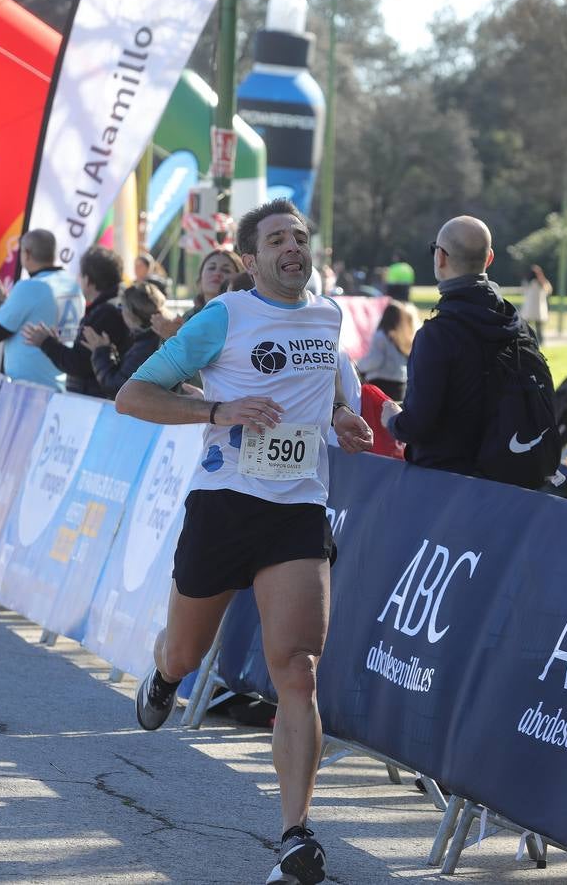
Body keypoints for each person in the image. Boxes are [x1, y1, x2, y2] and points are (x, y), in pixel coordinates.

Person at [116, 198, 374, 885]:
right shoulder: (223, 318)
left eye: (300, 236)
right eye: (278, 239)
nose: (293, 246)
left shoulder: (328, 315)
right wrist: (217, 410)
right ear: (252, 257)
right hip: (225, 505)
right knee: (185, 649)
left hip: (296, 512)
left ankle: (295, 835)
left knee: (297, 670)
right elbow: (133, 397)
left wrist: (344, 418)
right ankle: (167, 676)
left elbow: (333, 392)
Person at [380, 216, 527, 474]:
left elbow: (417, 424)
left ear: (441, 258)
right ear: (489, 258)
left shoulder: (436, 335)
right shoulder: (517, 326)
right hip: (508, 480)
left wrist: (392, 419)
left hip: (446, 485)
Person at [22, 245, 131, 398]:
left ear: (87, 280)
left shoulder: (104, 313)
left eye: (80, 275)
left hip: (96, 401)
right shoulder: (119, 304)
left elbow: (79, 364)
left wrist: (46, 342)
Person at [0, 229, 82, 390]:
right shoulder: (73, 285)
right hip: (62, 383)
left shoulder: (31, 286)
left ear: (27, 254)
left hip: (31, 387)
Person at [83, 279, 167, 399]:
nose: (119, 310)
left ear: (129, 314)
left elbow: (117, 388)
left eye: (121, 306)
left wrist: (101, 351)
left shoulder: (146, 346)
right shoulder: (150, 339)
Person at [152, 248, 242, 340]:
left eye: (226, 270)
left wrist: (178, 336)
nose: (217, 273)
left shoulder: (240, 318)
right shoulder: (189, 317)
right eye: (211, 268)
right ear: (200, 280)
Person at [357, 301, 417, 401]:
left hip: (381, 382)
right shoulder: (404, 336)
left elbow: (375, 360)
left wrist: (358, 367)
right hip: (400, 382)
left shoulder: (381, 335)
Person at [519, 264, 552, 345]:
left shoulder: (528, 283)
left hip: (530, 308)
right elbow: (549, 290)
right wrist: (540, 275)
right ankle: (539, 342)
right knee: (536, 328)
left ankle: (529, 341)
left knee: (528, 328)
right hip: (537, 309)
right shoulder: (540, 283)